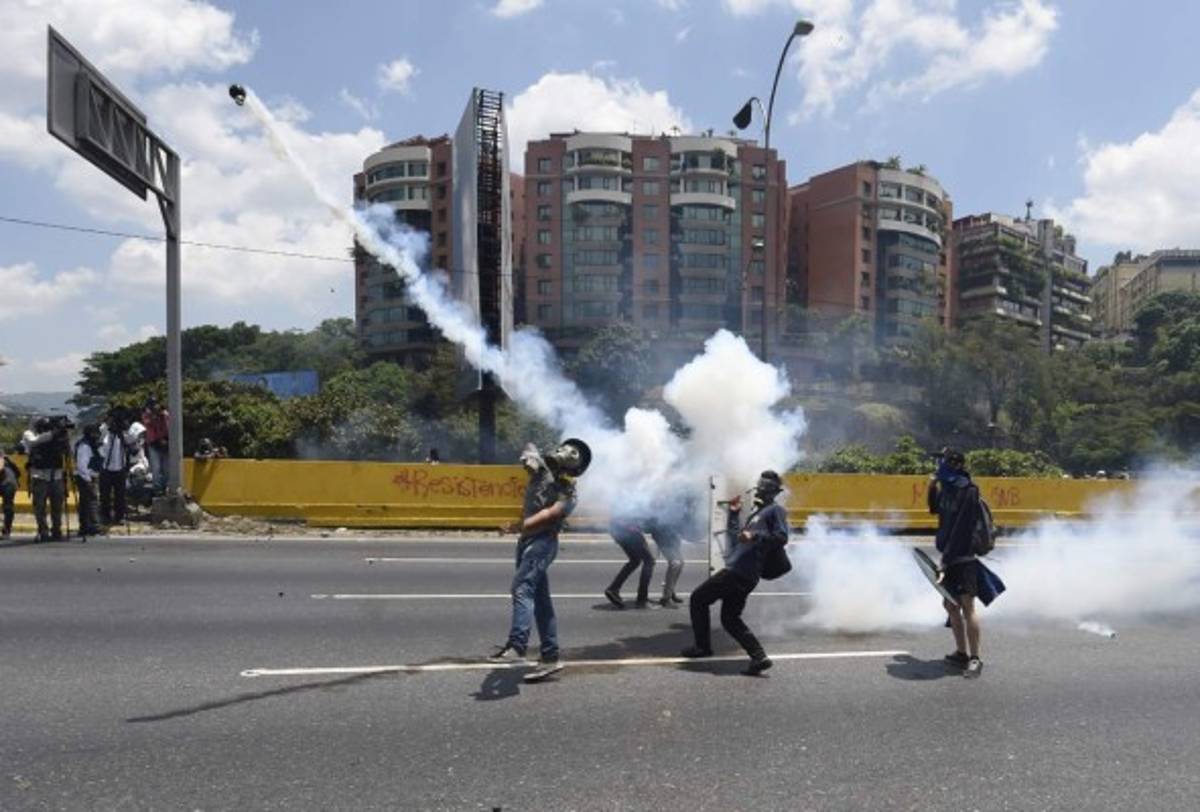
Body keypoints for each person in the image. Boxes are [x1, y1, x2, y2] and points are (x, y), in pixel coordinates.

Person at [489, 438, 592, 683]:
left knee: (522, 588)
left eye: (573, 455)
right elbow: (528, 454)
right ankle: (550, 656)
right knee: (541, 601)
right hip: (527, 541)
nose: (567, 454)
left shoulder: (569, 493)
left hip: (542, 543)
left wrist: (519, 526)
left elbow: (549, 515)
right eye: (566, 450)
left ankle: (518, 646)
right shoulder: (541, 471)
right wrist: (532, 455)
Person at [682, 470, 789, 676]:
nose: (762, 488)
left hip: (739, 571)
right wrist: (734, 513)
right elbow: (737, 538)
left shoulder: (776, 511)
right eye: (761, 484)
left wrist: (755, 535)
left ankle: (702, 647)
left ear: (773, 491)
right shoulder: (757, 513)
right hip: (742, 572)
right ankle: (759, 658)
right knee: (730, 618)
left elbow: (781, 537)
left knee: (698, 599)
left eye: (766, 486)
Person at [927, 448, 1004, 679]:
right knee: (951, 606)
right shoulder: (947, 489)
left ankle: (974, 658)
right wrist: (931, 488)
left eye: (942, 462)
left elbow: (961, 529)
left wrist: (945, 560)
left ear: (953, 464)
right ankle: (960, 652)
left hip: (963, 557)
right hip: (950, 557)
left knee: (967, 606)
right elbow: (934, 510)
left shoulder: (968, 491)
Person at [22, 416, 70, 542]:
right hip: (40, 477)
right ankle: (43, 531)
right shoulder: (30, 435)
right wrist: (52, 434)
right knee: (40, 507)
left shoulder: (56, 438)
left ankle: (56, 530)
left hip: (56, 476)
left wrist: (62, 436)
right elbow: (33, 442)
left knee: (57, 507)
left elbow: (66, 452)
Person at [605, 517, 657, 609]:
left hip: (618, 530)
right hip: (629, 531)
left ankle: (613, 589)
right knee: (649, 561)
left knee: (635, 560)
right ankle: (642, 600)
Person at [99, 409, 136, 526]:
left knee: (120, 495)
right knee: (105, 495)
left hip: (120, 467)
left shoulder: (123, 433)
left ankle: (119, 516)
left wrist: (123, 428)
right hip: (106, 467)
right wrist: (108, 425)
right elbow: (99, 439)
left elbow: (131, 441)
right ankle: (105, 516)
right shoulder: (104, 430)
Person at [73, 424, 103, 539]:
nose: (97, 436)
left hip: (90, 477)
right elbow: (82, 465)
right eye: (95, 433)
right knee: (92, 502)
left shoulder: (92, 445)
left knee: (86, 503)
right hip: (85, 478)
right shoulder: (84, 446)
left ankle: (86, 527)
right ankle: (93, 527)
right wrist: (88, 480)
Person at [142, 398, 169, 494]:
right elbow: (148, 423)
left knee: (166, 467)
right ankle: (157, 488)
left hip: (165, 442)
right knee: (156, 467)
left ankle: (166, 486)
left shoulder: (164, 414)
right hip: (153, 443)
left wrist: (162, 414)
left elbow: (168, 426)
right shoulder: (147, 415)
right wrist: (154, 415)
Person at [1, 446, 20, 540]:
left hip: (8, 483)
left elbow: (0, 467)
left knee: (8, 507)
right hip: (8, 482)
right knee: (8, 507)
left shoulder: (2, 457)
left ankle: (6, 530)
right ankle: (6, 530)